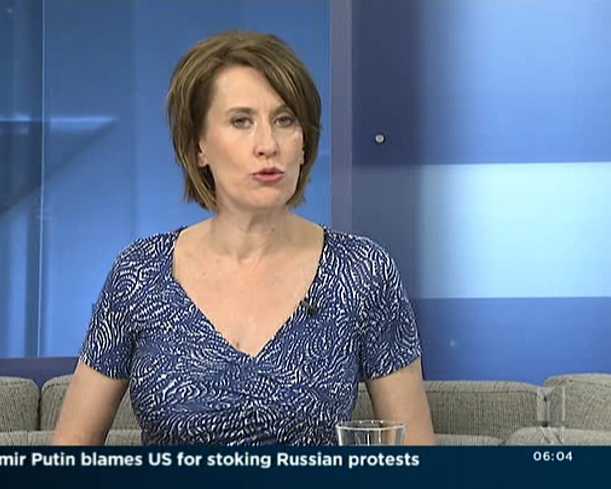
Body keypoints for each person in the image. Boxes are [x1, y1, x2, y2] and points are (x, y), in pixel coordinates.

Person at [51, 30, 436, 446]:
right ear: (199, 146)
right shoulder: (140, 273)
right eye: (241, 121)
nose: (268, 145)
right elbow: (70, 454)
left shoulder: (362, 271)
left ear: (304, 144)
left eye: (285, 120)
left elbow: (416, 455)